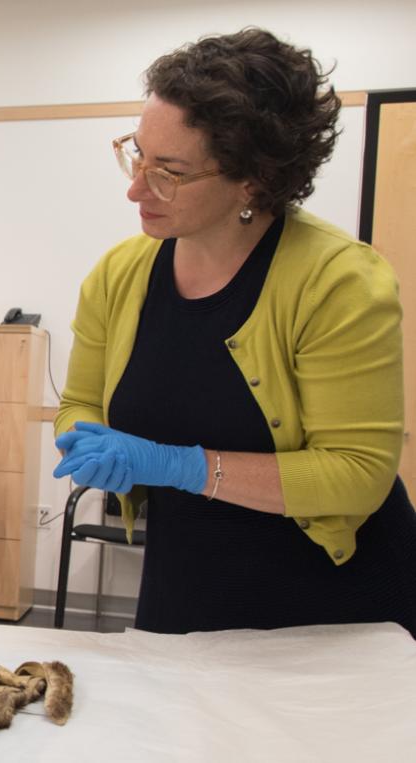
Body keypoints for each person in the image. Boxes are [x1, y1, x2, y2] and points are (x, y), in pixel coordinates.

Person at [54, 29, 416, 635]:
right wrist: (82, 442)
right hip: (185, 586)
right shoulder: (119, 275)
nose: (136, 187)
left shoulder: (338, 281)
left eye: (169, 171)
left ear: (253, 180)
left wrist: (181, 466)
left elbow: (357, 473)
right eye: (136, 153)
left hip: (330, 604)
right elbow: (82, 403)